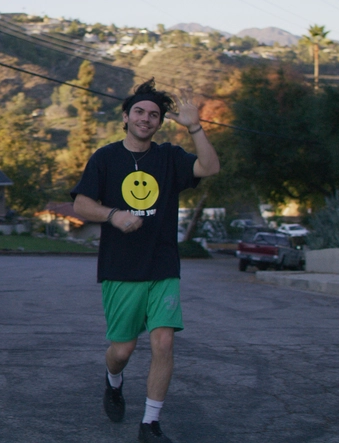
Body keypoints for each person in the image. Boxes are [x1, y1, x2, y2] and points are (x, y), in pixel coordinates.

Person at [71, 79, 220, 442]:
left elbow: (210, 167)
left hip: (163, 265)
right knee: (122, 349)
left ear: (159, 123)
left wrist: (195, 126)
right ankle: (113, 381)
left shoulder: (170, 157)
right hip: (121, 268)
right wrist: (113, 215)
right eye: (139, 111)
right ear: (126, 116)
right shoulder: (105, 158)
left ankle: (150, 424)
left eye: (154, 114)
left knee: (164, 343)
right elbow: (81, 205)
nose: (146, 118)